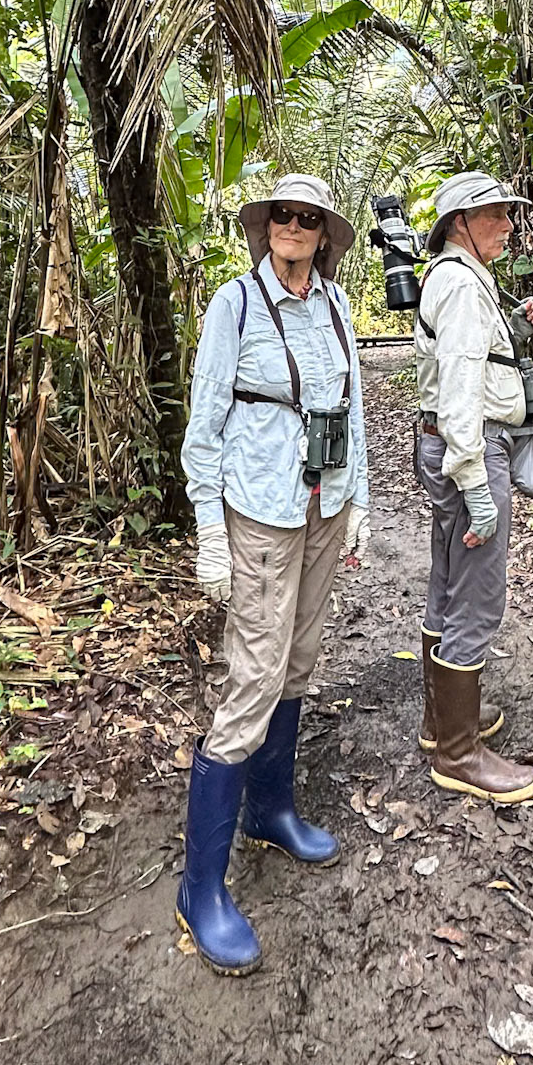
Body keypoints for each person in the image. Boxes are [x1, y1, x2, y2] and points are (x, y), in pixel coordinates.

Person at [176, 173, 370, 974]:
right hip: (258, 508)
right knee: (252, 677)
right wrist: (209, 530)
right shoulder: (236, 305)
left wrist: (359, 495)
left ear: (324, 232)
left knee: (298, 659)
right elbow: (205, 418)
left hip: (322, 504)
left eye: (307, 217)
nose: (293, 226)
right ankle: (201, 889)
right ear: (266, 228)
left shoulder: (334, 304)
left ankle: (272, 807)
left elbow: (352, 403)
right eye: (281, 215)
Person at [413, 170, 533, 805]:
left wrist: (516, 330)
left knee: (449, 580)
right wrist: (476, 484)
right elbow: (462, 391)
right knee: (480, 592)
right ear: (461, 223)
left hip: (445, 441)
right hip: (469, 447)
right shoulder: (462, 286)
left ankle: (443, 722)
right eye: (496, 213)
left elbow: (475, 362)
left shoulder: (458, 280)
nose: (508, 224)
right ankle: (460, 755)